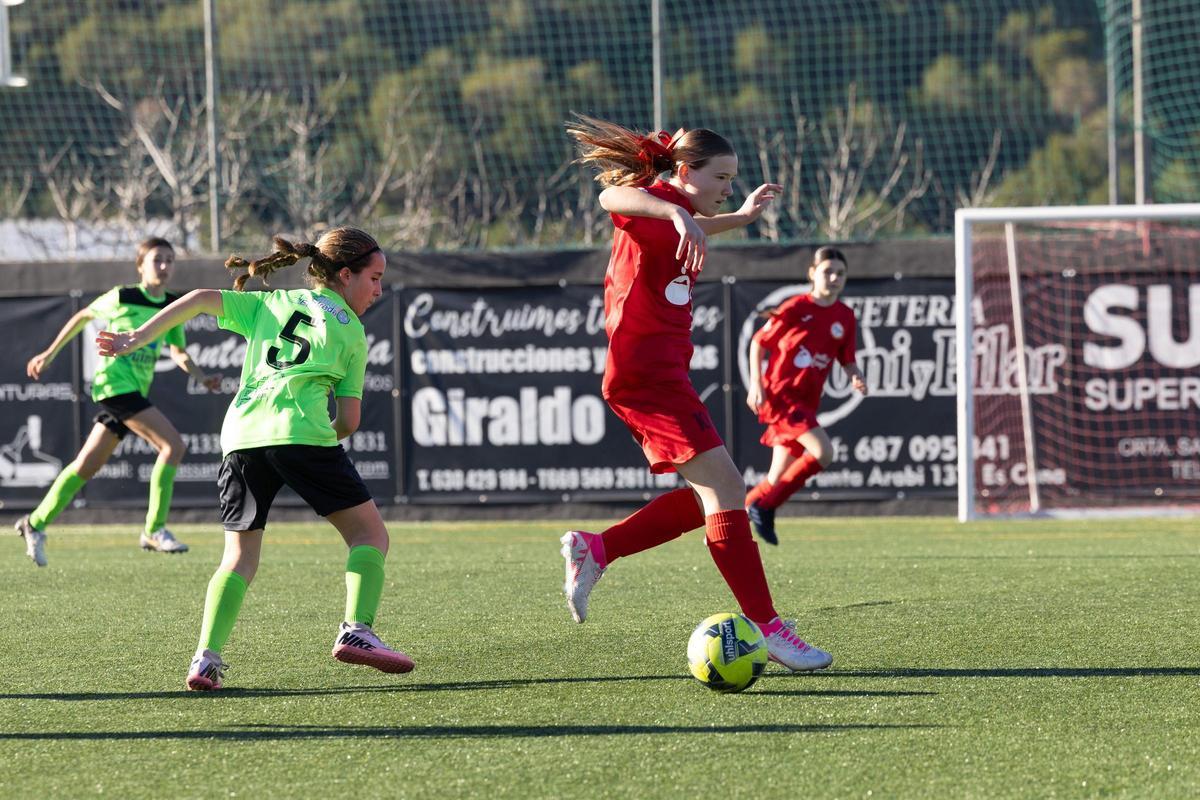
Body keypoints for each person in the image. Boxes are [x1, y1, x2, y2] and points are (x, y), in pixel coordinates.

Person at [559, 114, 832, 672]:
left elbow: (692, 222)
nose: (728, 188)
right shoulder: (650, 204)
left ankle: (598, 548)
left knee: (706, 498)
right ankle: (768, 627)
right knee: (729, 488)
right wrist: (676, 214)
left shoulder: (677, 211)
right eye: (723, 179)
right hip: (645, 375)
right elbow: (614, 198)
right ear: (684, 173)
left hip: (661, 374)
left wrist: (740, 215)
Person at [96, 227, 413, 691]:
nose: (379, 289)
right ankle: (356, 630)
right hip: (301, 433)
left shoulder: (273, 304)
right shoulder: (351, 330)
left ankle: (205, 659)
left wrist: (135, 338)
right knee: (370, 534)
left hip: (241, 436)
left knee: (239, 558)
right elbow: (348, 420)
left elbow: (202, 297)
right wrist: (325, 435)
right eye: (375, 278)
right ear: (346, 275)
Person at [15, 237, 219, 566]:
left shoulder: (171, 305)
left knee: (87, 465)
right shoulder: (123, 296)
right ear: (140, 266)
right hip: (114, 386)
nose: (165, 266)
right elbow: (82, 316)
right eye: (157, 260)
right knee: (173, 447)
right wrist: (50, 353)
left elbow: (178, 351)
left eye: (170, 260)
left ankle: (34, 523)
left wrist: (200, 376)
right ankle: (154, 529)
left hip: (132, 392)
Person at [744, 247, 869, 545]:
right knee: (824, 452)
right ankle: (764, 507)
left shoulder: (845, 316)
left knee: (776, 479)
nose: (835, 278)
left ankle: (727, 520)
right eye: (828, 271)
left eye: (840, 273)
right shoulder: (796, 307)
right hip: (782, 396)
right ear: (812, 273)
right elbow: (758, 343)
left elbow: (846, 357)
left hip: (807, 401)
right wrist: (755, 384)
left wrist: (854, 373)